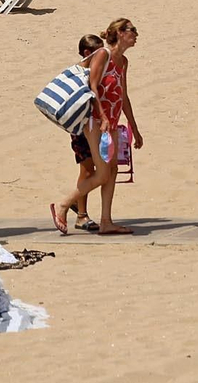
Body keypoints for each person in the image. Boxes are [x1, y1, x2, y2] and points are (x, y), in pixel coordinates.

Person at [50, 18, 142, 236]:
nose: (136, 34)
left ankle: (106, 221)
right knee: (101, 173)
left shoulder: (124, 61)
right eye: (132, 30)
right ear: (120, 33)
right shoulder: (103, 55)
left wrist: (134, 128)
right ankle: (63, 205)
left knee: (112, 171)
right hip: (95, 121)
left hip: (111, 121)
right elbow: (92, 86)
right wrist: (102, 115)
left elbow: (123, 95)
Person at [62, 32, 106, 233]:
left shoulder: (93, 72)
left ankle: (78, 203)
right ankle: (80, 214)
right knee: (88, 169)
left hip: (91, 126)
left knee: (90, 169)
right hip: (80, 128)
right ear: (87, 52)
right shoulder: (80, 74)